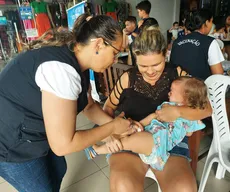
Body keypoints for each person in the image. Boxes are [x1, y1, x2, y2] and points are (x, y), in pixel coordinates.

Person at [0, 14, 133, 192]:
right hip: (10, 140)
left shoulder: (77, 59)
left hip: (35, 130)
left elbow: (89, 106)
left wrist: (118, 126)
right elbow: (63, 144)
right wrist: (112, 128)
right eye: (115, 53)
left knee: (58, 169)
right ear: (99, 44)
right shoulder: (61, 70)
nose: (115, 61)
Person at [103, 27, 212, 192]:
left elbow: (206, 108)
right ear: (136, 59)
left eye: (157, 64)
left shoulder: (177, 74)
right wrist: (111, 133)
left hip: (169, 141)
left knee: (184, 188)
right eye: (143, 66)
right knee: (123, 185)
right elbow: (108, 107)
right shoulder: (128, 79)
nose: (151, 71)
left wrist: (178, 112)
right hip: (132, 138)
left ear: (165, 55)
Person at [85, 76, 207, 172]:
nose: (169, 93)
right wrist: (138, 125)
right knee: (127, 134)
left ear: (185, 98)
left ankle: (97, 150)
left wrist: (139, 125)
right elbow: (189, 132)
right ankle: (106, 138)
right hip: (149, 134)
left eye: (172, 91)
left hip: (157, 148)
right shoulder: (176, 110)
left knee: (128, 141)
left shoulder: (171, 108)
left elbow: (154, 116)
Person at [170, 9, 224, 80]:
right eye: (211, 22)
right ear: (207, 23)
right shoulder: (210, 42)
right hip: (200, 88)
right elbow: (218, 75)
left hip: (178, 87)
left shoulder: (177, 42)